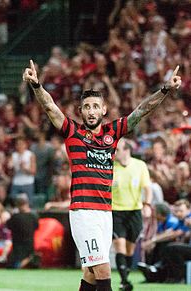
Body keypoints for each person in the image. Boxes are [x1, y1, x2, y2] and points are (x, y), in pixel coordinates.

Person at [23, 59, 181, 291]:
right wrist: (37, 86)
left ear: (103, 110)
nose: (91, 111)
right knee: (104, 271)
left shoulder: (112, 133)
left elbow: (142, 111)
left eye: (96, 106)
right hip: (83, 212)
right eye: (87, 107)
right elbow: (50, 107)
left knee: (90, 273)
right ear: (81, 111)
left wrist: (165, 89)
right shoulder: (73, 132)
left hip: (105, 212)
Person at [112, 137, 152, 291]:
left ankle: (126, 276)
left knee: (130, 249)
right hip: (116, 211)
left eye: (118, 149)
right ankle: (124, 282)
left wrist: (147, 205)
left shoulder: (139, 165)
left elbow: (147, 187)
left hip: (134, 211)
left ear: (127, 150)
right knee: (119, 246)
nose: (114, 152)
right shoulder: (111, 166)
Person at [6, 193, 39, 268]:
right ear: (27, 203)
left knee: (12, 265)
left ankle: (26, 262)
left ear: (17, 205)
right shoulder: (33, 216)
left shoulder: (15, 217)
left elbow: (8, 225)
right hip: (30, 247)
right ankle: (30, 259)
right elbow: (37, 227)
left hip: (18, 248)